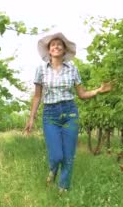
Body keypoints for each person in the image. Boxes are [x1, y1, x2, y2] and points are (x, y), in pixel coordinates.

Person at [23, 32, 112, 192]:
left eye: (59, 44)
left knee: (69, 155)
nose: (56, 46)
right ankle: (53, 168)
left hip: (70, 112)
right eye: (53, 45)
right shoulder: (41, 69)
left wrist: (98, 90)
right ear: (49, 50)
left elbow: (82, 94)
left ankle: (63, 188)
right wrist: (31, 118)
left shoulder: (72, 69)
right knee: (57, 155)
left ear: (64, 50)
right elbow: (37, 96)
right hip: (50, 114)